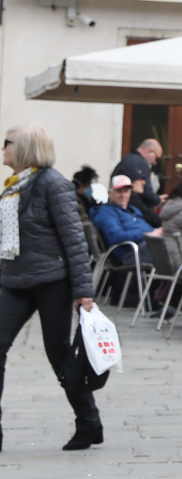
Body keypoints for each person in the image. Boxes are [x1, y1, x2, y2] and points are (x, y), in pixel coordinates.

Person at [0, 124, 103, 451]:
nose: (2, 148)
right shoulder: (15, 184)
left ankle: (88, 422)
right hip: (16, 280)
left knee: (58, 353)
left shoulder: (52, 183)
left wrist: (83, 292)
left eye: (7, 142)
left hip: (52, 281)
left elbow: (75, 240)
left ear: (25, 148)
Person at [90, 174, 163, 265]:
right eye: (119, 191)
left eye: (126, 191)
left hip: (146, 246)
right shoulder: (106, 212)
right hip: (130, 253)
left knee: (172, 241)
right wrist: (147, 234)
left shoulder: (134, 209)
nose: (123, 195)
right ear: (110, 193)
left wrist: (157, 232)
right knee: (169, 247)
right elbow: (116, 236)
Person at [112, 139, 163, 226]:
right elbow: (147, 193)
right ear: (150, 151)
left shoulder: (128, 159)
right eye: (157, 158)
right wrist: (157, 200)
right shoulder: (140, 163)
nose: (155, 163)